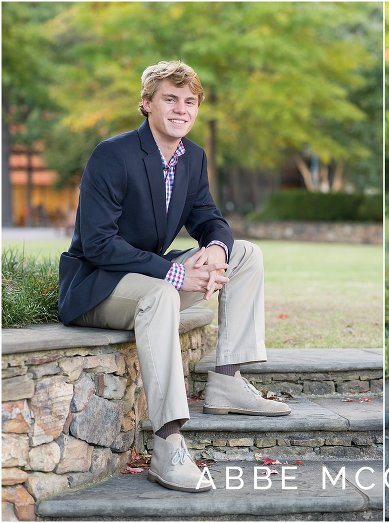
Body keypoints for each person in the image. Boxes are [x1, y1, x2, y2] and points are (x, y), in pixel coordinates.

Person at [58, 60, 291, 494]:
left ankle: (226, 381)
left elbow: (208, 217)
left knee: (245, 254)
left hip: (152, 277)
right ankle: (167, 445)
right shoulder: (114, 154)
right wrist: (175, 270)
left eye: (190, 101)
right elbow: (97, 244)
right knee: (163, 295)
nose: (181, 109)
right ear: (147, 104)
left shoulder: (192, 157)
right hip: (97, 286)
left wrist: (217, 251)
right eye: (170, 99)